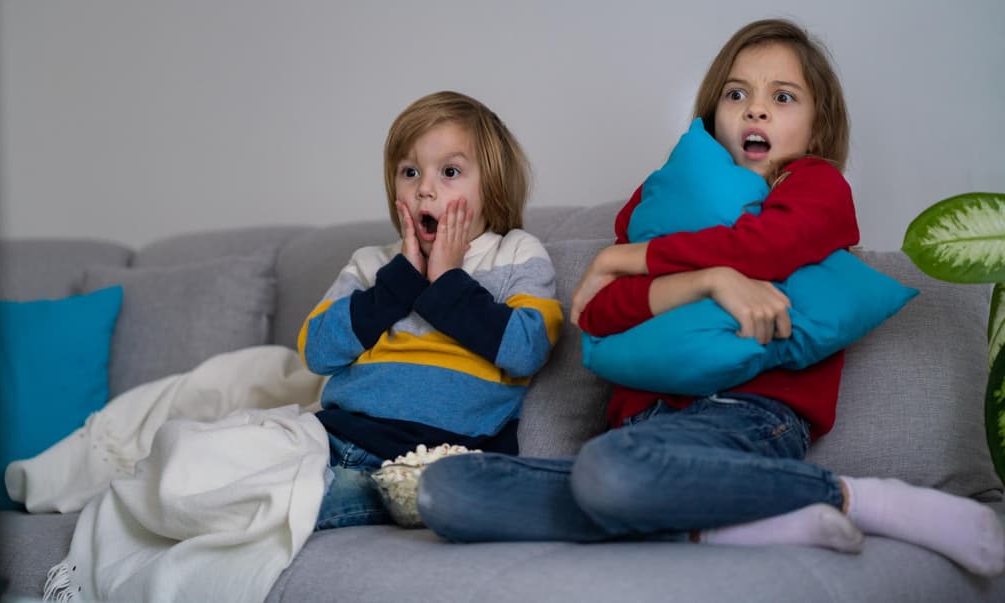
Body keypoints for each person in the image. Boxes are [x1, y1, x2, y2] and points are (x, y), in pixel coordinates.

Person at [416, 19, 1005, 577]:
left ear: (818, 126)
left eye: (783, 97)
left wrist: (632, 259)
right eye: (736, 93)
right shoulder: (663, 199)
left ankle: (855, 498)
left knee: (611, 471)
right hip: (637, 432)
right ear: (713, 113)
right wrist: (708, 280)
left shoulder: (817, 186)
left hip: (746, 417)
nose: (755, 108)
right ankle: (731, 525)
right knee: (450, 490)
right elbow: (601, 313)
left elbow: (765, 249)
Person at [298, 90, 563, 530]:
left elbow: (526, 349)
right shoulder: (373, 264)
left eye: (450, 172)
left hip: (431, 463)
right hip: (336, 437)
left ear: (492, 187)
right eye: (410, 172)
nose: (424, 188)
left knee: (294, 504)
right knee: (224, 456)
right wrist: (399, 282)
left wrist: (448, 281)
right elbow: (316, 350)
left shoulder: (515, 253)